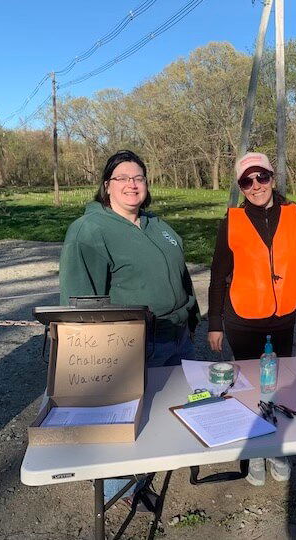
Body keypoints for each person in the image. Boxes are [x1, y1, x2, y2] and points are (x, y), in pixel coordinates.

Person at [59, 149, 200, 505]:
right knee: (125, 418)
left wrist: (193, 317)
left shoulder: (158, 226)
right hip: (134, 343)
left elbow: (181, 277)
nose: (131, 184)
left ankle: (155, 463)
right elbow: (80, 301)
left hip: (177, 336)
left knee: (165, 411)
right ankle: (120, 486)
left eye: (138, 177)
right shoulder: (90, 230)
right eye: (122, 178)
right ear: (107, 186)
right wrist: (92, 358)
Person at [207, 152, 296, 486]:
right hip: (242, 319)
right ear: (241, 187)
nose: (256, 186)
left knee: (278, 384)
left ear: (272, 177)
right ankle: (255, 447)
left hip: (283, 317)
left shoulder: (295, 215)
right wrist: (214, 323)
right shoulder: (232, 221)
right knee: (248, 385)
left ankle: (276, 447)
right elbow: (217, 275)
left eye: (262, 177)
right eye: (247, 181)